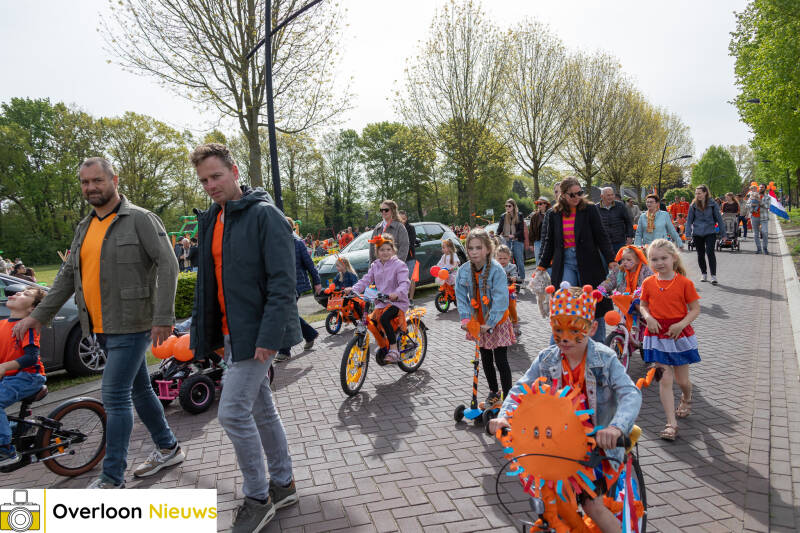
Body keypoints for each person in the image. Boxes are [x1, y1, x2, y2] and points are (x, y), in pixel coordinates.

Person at [14, 156, 182, 489]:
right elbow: (66, 276)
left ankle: (112, 478)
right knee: (140, 389)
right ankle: (168, 447)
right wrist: (38, 314)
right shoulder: (85, 226)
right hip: (99, 329)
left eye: (97, 180)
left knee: (115, 397)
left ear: (114, 180)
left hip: (133, 325)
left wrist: (163, 317)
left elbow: (169, 265)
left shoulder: (141, 220)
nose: (90, 187)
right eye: (84, 182)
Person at [188, 143, 300, 532]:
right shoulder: (216, 217)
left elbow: (284, 283)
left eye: (216, 176)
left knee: (232, 412)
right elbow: (211, 282)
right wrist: (207, 332)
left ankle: (258, 497)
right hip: (232, 334)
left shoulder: (265, 215)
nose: (210, 185)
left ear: (235, 171)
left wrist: (269, 336)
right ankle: (283, 484)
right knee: (260, 409)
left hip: (257, 335)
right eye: (203, 180)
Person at [488, 282, 642, 533]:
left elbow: (630, 393)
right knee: (549, 502)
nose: (565, 338)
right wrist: (504, 418)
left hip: (597, 449)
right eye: (558, 329)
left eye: (574, 330)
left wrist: (615, 428)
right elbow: (520, 389)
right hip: (557, 447)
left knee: (593, 507)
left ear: (592, 328)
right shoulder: (547, 358)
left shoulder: (605, 358)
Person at [536, 177, 617, 343]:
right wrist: (542, 266)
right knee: (564, 301)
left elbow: (601, 236)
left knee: (594, 301)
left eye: (579, 193)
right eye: (572, 195)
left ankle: (599, 345)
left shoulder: (589, 210)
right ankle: (559, 344)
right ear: (563, 195)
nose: (577, 197)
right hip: (566, 261)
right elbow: (549, 242)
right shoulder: (554, 214)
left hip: (589, 262)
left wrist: (611, 259)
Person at [638, 239, 701, 441]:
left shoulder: (684, 283)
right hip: (657, 335)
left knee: (682, 381)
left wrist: (681, 324)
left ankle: (687, 397)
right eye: (654, 259)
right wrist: (648, 318)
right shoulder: (648, 283)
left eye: (664, 258)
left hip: (678, 333)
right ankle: (670, 424)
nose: (659, 263)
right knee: (664, 378)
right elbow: (643, 305)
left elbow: (695, 309)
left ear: (674, 258)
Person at [455, 229, 515, 407]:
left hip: (497, 321)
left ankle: (509, 395)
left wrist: (489, 323)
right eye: (471, 248)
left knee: (501, 359)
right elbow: (460, 297)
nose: (473, 252)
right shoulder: (463, 271)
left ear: (488, 249)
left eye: (478, 248)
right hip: (478, 322)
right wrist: (466, 320)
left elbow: (501, 299)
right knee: (485, 358)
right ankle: (493, 392)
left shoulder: (496, 270)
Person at [0, 286, 47, 466]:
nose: (17, 293)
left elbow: (30, 357)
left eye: (25, 294)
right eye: (19, 292)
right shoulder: (2, 324)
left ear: (32, 309)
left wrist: (4, 367)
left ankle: (6, 451)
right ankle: (22, 426)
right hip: (10, 377)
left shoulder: (27, 326)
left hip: (29, 376)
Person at [346, 234, 409, 363]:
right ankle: (384, 345)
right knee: (372, 322)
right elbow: (366, 279)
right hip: (381, 302)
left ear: (393, 250)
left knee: (385, 318)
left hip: (396, 302)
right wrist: (354, 289)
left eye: (388, 249)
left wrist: (396, 293)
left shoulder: (399, 265)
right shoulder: (375, 265)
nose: (385, 252)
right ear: (377, 252)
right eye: (382, 250)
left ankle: (393, 350)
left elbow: (405, 283)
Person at [277, 216, 322, 363]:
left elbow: (310, 264)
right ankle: (309, 334)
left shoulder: (298, 243)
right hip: (282, 285)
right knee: (288, 313)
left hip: (295, 285)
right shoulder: (276, 243)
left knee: (284, 314)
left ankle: (284, 351)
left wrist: (317, 282)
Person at [686, 185, 724, 284]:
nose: (697, 195)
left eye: (699, 193)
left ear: (705, 193)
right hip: (697, 233)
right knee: (700, 254)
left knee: (710, 252)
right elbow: (689, 220)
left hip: (710, 231)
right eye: (696, 193)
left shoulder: (713, 204)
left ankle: (713, 276)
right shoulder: (693, 205)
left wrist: (723, 233)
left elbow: (719, 219)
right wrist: (688, 233)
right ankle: (704, 273)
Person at [369, 200, 409, 265]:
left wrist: (395, 266)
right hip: (379, 269)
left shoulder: (400, 227)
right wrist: (372, 268)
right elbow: (372, 250)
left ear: (392, 211)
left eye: (386, 210)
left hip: (394, 268)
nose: (383, 212)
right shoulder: (377, 227)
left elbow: (404, 249)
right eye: (381, 210)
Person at [597, 187, 634, 256]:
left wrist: (630, 236)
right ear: (602, 196)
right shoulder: (596, 208)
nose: (611, 197)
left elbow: (628, 222)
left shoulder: (620, 206)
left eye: (612, 195)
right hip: (603, 243)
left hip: (619, 241)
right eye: (608, 195)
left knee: (621, 264)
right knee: (605, 265)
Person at [495, 244, 521, 338]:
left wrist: (514, 278)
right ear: (496, 258)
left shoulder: (512, 267)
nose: (502, 260)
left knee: (511, 306)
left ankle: (515, 324)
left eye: (505, 258)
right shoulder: (495, 267)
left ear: (509, 258)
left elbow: (515, 275)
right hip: (498, 291)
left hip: (509, 290)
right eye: (500, 258)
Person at [496, 198, 526, 279]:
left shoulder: (519, 215)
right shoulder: (503, 216)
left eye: (509, 206)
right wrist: (495, 235)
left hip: (517, 240)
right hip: (507, 241)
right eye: (506, 206)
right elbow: (499, 229)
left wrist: (514, 235)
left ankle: (522, 279)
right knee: (507, 261)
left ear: (513, 206)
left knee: (519, 261)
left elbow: (521, 230)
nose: (507, 207)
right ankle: (508, 279)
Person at [398, 211, 418, 305]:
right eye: (400, 218)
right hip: (399, 259)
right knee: (401, 279)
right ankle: (403, 298)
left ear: (406, 218)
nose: (402, 220)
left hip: (410, 257)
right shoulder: (396, 228)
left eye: (404, 218)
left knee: (411, 279)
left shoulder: (411, 228)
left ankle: (411, 299)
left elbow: (411, 242)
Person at [750, 183, 771, 254]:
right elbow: (747, 204)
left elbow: (767, 206)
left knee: (765, 232)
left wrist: (760, 201)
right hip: (754, 217)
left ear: (765, 188)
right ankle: (759, 249)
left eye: (762, 187)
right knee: (756, 234)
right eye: (760, 187)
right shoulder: (753, 195)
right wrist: (752, 205)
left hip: (763, 217)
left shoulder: (767, 197)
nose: (761, 188)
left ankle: (765, 248)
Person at [528, 197, 550, 265]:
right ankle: (540, 275)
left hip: (549, 241)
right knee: (538, 261)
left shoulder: (551, 214)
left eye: (540, 204)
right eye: (537, 204)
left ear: (546, 204)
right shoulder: (534, 216)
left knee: (549, 261)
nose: (538, 205)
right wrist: (531, 244)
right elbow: (531, 230)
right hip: (537, 241)